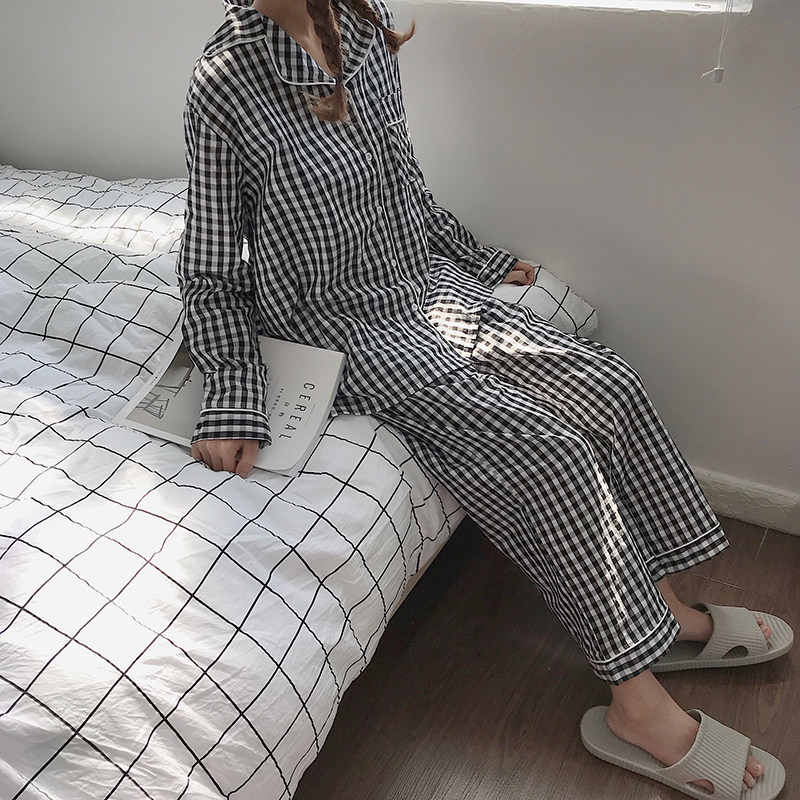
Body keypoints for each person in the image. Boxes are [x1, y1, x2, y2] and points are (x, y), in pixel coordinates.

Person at [176, 1, 792, 797]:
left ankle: (663, 614)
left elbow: (400, 177)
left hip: (420, 283)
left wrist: (474, 257)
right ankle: (638, 705)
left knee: (608, 386)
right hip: (338, 324)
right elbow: (210, 268)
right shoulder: (226, 80)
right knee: (548, 454)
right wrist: (232, 392)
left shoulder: (360, 19)